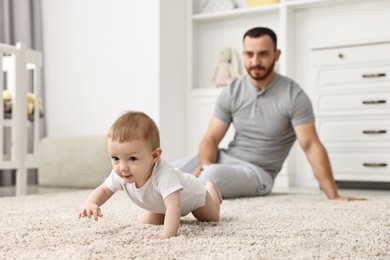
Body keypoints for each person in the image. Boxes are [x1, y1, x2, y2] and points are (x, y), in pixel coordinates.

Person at [172, 27, 365, 201]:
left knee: (210, 177)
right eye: (249, 54)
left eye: (263, 54)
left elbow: (311, 145)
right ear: (243, 55)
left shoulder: (294, 95)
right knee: (165, 169)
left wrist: (333, 194)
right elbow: (211, 138)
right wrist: (205, 163)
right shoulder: (232, 91)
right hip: (222, 160)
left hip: (257, 172)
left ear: (277, 54)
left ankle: (178, 196)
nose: (255, 62)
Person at [78, 111, 222, 239]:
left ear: (154, 156)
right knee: (148, 223)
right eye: (115, 158)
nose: (122, 167)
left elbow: (174, 206)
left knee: (212, 219)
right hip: (160, 204)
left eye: (132, 159)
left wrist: (166, 235)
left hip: (194, 197)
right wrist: (91, 203)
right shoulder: (122, 173)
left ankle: (211, 190)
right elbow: (104, 190)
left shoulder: (164, 175)